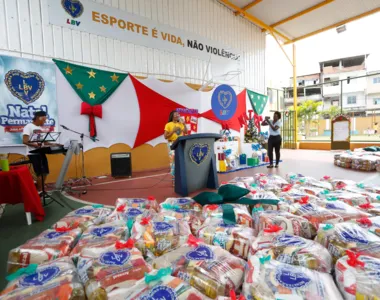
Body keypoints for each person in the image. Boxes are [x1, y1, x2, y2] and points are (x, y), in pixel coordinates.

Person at [22, 111, 54, 193]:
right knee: (39, 173)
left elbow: (43, 142)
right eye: (43, 120)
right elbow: (25, 141)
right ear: (38, 118)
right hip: (33, 152)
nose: (45, 121)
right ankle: (39, 191)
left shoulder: (39, 128)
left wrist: (54, 144)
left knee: (45, 172)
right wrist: (36, 145)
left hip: (40, 151)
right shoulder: (28, 126)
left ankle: (41, 189)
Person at [164, 111, 188, 185]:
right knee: (174, 161)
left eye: (178, 114)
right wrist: (173, 131)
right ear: (172, 116)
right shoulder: (168, 125)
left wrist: (184, 123)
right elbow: (165, 136)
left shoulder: (180, 124)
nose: (178, 115)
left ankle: (181, 178)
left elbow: (186, 132)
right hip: (172, 143)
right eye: (176, 114)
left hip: (180, 143)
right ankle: (174, 179)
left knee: (181, 160)